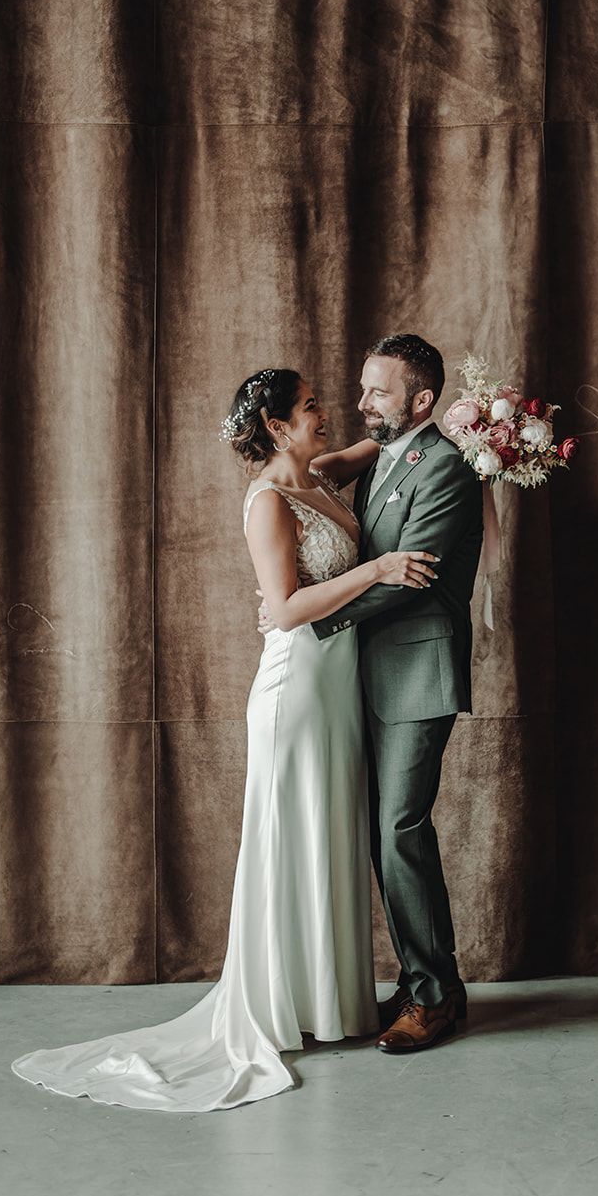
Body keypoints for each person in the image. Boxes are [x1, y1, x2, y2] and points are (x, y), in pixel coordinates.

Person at [10, 367, 437, 1112]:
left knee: (330, 832)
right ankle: (275, 1005)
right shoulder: (269, 501)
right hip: (297, 687)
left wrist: (452, 422)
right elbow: (285, 607)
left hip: (338, 688)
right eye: (309, 407)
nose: (326, 412)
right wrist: (377, 565)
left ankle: (328, 1002)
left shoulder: (317, 475)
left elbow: (376, 447)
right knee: (291, 833)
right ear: (275, 426)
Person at [260, 334, 483, 1054]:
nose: (360, 404)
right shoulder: (391, 452)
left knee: (397, 830)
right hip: (365, 676)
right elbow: (322, 476)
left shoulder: (444, 469)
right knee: (379, 834)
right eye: (359, 389)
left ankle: (435, 997)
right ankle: (425, 979)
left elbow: (404, 581)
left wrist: (302, 615)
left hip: (416, 674)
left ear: (421, 400)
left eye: (376, 393)